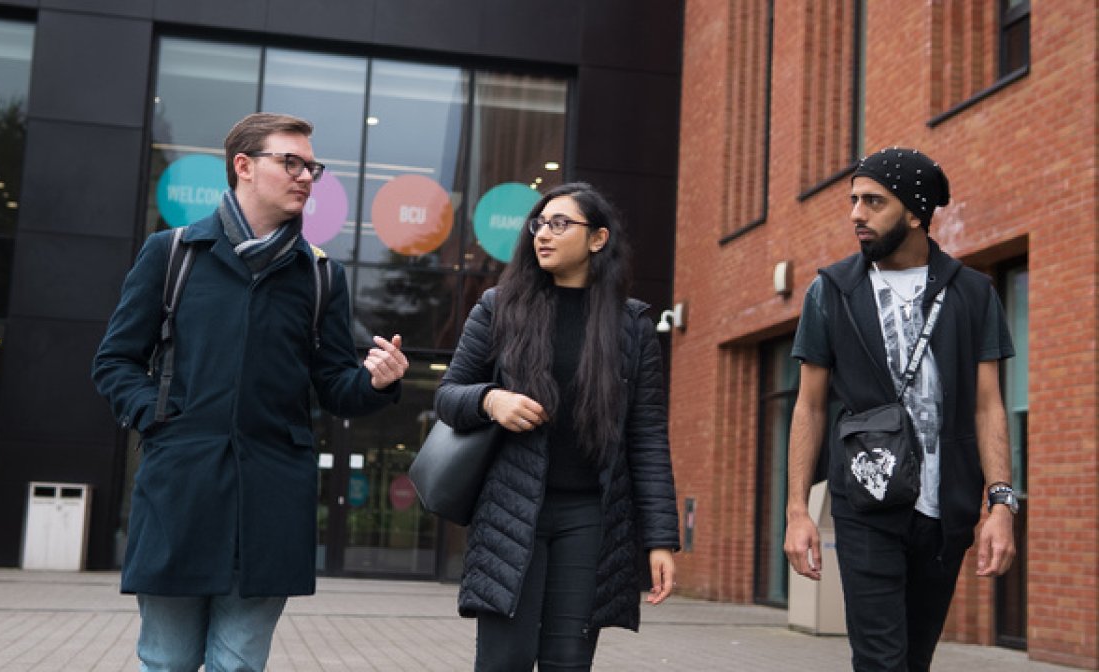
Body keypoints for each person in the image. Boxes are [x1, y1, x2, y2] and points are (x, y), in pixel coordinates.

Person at [92, 112, 409, 671]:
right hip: (180, 490)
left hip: (271, 499)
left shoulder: (320, 277)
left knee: (238, 665)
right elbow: (115, 361)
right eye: (291, 163)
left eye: (311, 167)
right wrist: (159, 416)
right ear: (243, 165)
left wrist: (377, 382)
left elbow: (336, 387)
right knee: (166, 660)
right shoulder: (173, 254)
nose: (306, 177)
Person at [783, 147, 1018, 671]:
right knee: (881, 661)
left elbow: (988, 407)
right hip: (866, 503)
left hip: (945, 511)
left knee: (914, 658)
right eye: (854, 200)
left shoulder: (973, 293)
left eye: (874, 202)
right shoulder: (831, 291)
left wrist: (1001, 505)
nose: (856, 214)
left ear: (915, 213)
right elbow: (810, 407)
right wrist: (798, 511)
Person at [434, 182, 681, 670]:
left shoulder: (631, 326)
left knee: (568, 661)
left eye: (560, 224)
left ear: (598, 239)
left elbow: (647, 437)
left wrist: (660, 540)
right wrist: (491, 400)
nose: (543, 234)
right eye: (540, 224)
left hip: (590, 516)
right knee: (506, 660)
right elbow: (448, 396)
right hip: (511, 510)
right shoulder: (499, 307)